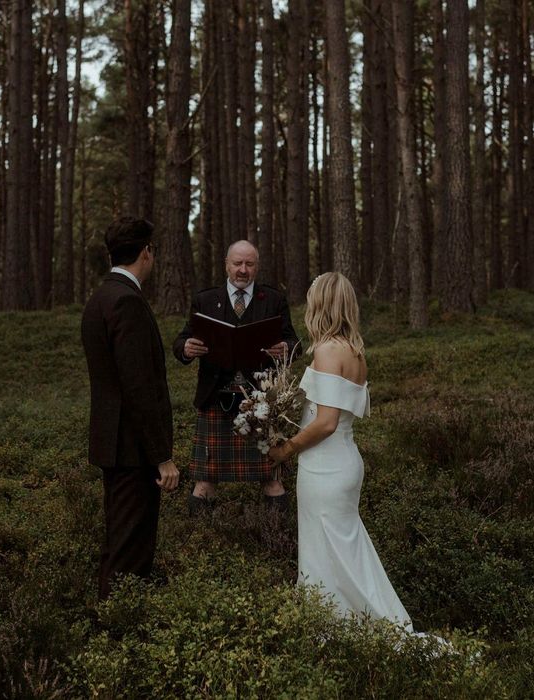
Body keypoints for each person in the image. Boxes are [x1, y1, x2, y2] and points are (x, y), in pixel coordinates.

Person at [268, 272, 412, 630]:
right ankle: (346, 619)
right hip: (340, 460)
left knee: (331, 549)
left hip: (326, 466)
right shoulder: (354, 351)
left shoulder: (330, 350)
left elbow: (326, 421)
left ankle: (340, 624)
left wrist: (286, 449)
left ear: (322, 305)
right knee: (343, 549)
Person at [81, 216, 179, 599]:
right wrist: (162, 458)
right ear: (146, 252)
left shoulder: (101, 297)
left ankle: (113, 627)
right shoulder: (127, 302)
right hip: (133, 450)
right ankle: (115, 635)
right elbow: (139, 388)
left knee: (119, 542)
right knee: (130, 551)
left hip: (115, 443)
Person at [173, 240, 300, 514]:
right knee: (205, 482)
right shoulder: (205, 300)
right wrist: (185, 347)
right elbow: (182, 339)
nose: (243, 270)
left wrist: (286, 348)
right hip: (215, 398)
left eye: (249, 264)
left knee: (272, 480)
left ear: (257, 267)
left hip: (261, 403)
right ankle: (199, 544)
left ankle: (276, 541)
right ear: (226, 265)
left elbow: (294, 341)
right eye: (237, 264)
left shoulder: (274, 299)